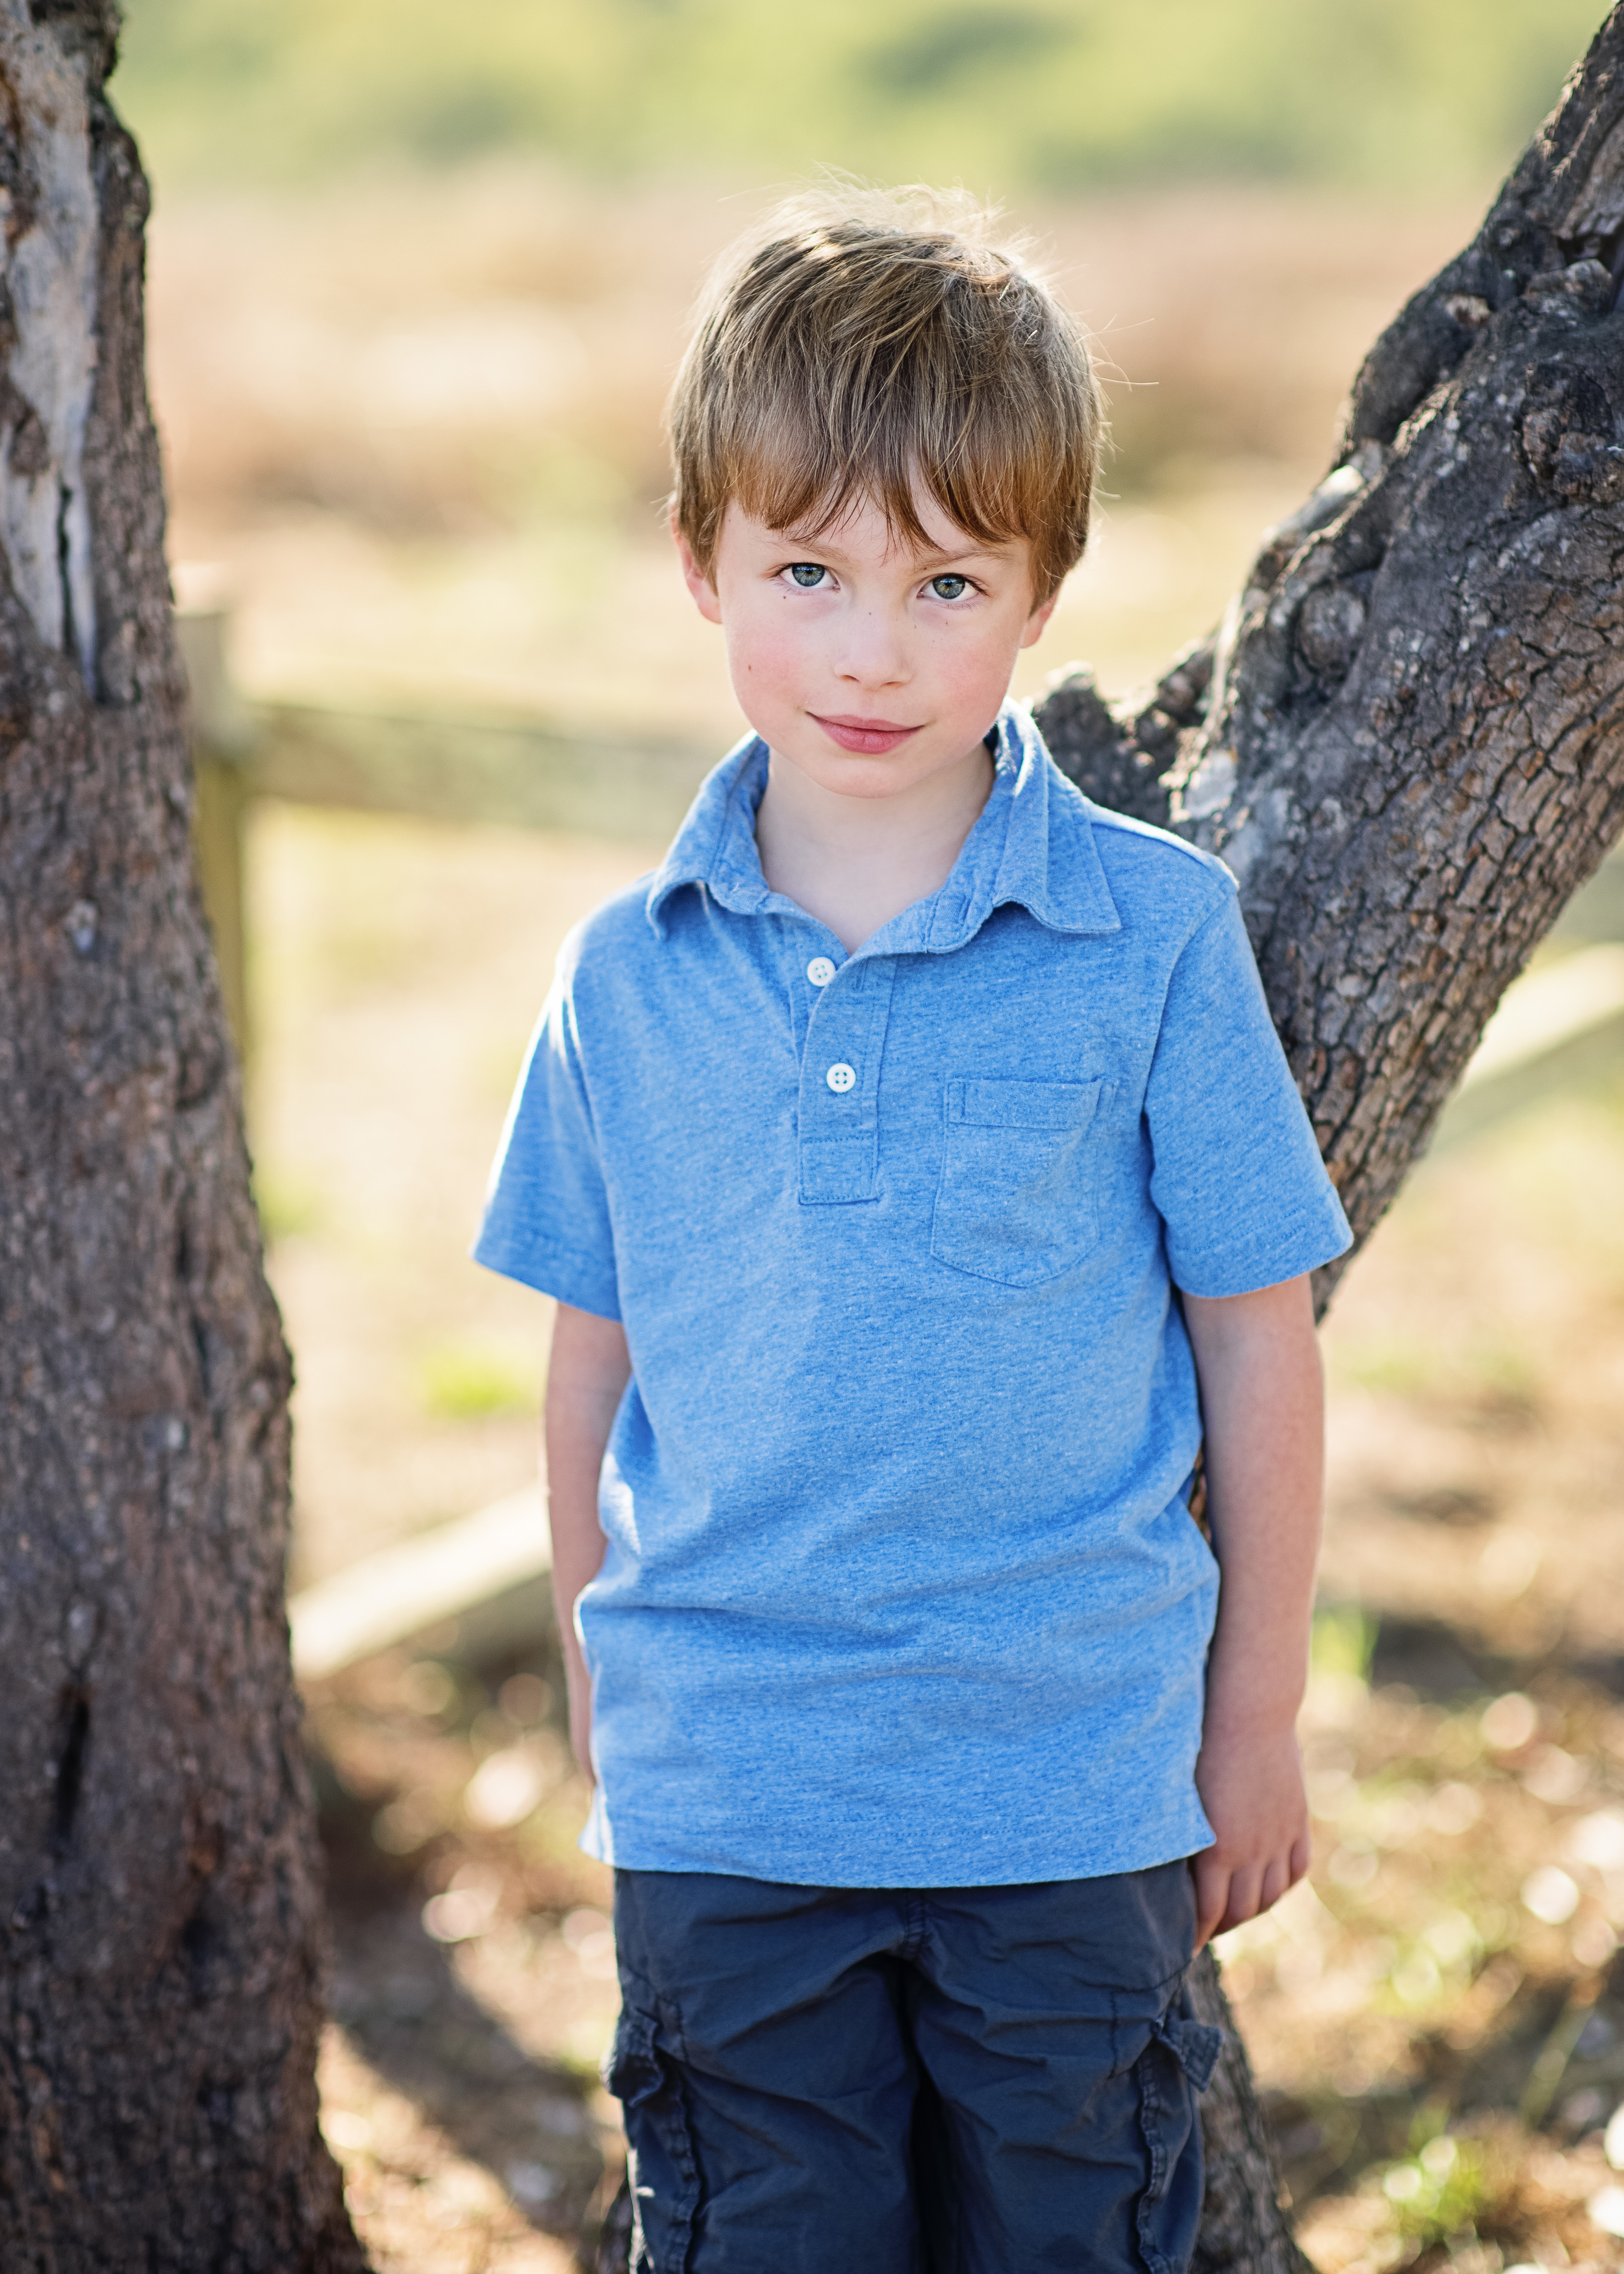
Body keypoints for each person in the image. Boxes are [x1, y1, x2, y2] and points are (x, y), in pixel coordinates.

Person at [474, 185, 1352, 2274]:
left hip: (1069, 1793)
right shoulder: (624, 970)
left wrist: (1253, 1713)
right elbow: (590, 1356)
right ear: (698, 563)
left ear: (1042, 591)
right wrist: (601, 1661)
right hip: (732, 1800)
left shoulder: (1151, 935)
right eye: (807, 568)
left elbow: (1257, 1337)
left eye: (946, 579)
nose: (872, 648)